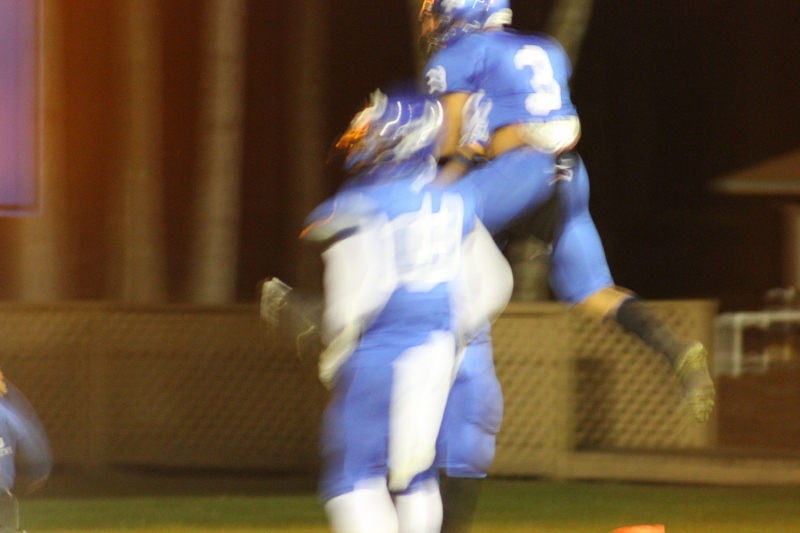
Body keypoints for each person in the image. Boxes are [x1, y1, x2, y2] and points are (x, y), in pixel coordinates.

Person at [416, 1, 716, 531]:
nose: (433, 20)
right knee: (594, 292)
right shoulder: (545, 47)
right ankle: (674, 349)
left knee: (421, 224)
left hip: (520, 173)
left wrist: (434, 159)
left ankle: (333, 315)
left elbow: (453, 142)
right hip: (568, 173)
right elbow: (547, 117)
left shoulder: (463, 52)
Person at [301, 88, 514, 533]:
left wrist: (334, 344)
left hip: (381, 350)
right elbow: (495, 282)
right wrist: (455, 334)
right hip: (436, 352)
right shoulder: (455, 201)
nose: (363, 140)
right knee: (415, 474)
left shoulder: (359, 204)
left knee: (352, 477)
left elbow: (356, 296)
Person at [0, 375, 52, 533]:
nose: (5, 384)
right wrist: (38, 466)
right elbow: (27, 435)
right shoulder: (5, 412)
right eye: (1, 380)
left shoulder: (4, 411)